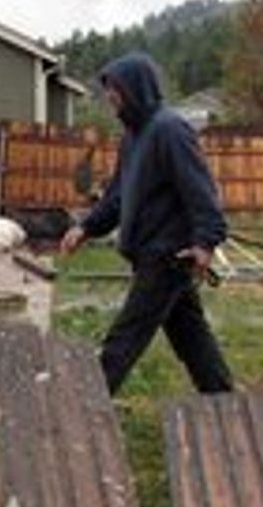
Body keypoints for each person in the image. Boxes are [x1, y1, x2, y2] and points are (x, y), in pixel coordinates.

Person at [59, 52, 234, 398]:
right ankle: (222, 399)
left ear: (136, 88)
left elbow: (201, 190)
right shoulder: (134, 137)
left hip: (168, 254)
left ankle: (85, 406)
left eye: (115, 91)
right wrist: (86, 227)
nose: (110, 98)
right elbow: (117, 196)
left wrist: (205, 241)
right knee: (191, 335)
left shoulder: (170, 130)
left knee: (125, 338)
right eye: (108, 91)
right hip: (150, 251)